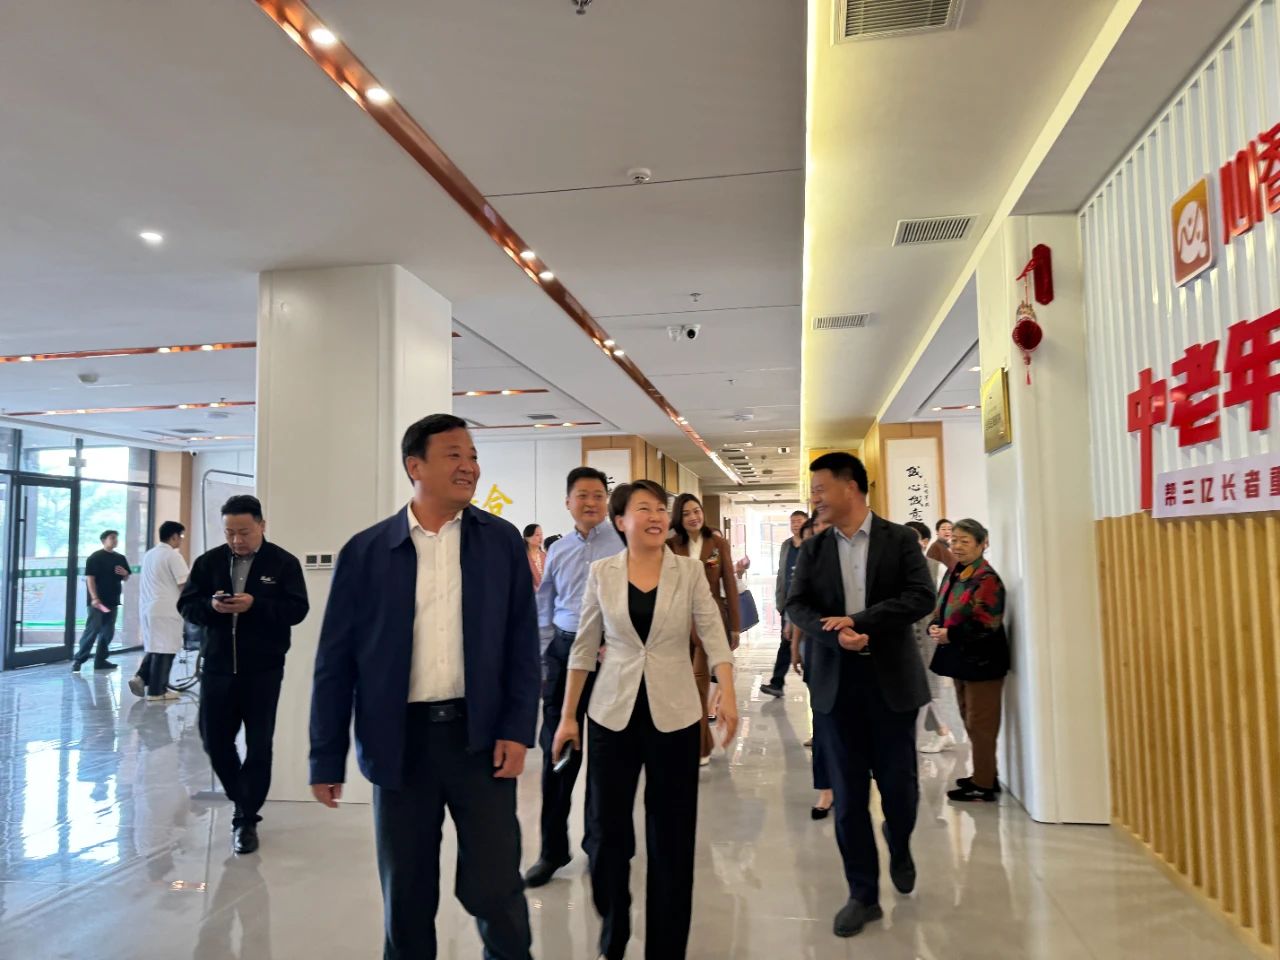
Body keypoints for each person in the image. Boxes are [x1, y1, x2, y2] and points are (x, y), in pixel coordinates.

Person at [310, 414, 540, 960]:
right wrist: (325, 757)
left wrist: (516, 729)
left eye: (473, 455)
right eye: (454, 455)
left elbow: (521, 644)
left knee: (495, 886)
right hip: (400, 744)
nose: (469, 467)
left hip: (480, 740)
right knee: (407, 894)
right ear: (415, 466)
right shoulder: (367, 552)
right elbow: (335, 663)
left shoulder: (500, 542)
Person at [552, 480, 739, 960]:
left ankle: (666, 948)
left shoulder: (689, 571)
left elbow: (712, 633)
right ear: (621, 521)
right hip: (611, 714)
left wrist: (727, 692)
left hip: (675, 715)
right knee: (606, 834)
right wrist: (568, 716)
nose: (657, 516)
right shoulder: (602, 572)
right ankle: (613, 931)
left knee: (672, 837)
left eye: (661, 508)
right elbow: (583, 648)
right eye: (644, 508)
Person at [786, 452, 936, 939]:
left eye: (820, 489)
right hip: (836, 687)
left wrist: (860, 621)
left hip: (892, 683)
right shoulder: (814, 548)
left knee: (900, 788)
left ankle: (899, 838)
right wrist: (835, 634)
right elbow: (796, 605)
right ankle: (862, 895)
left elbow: (921, 596)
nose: (815, 499)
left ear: (850, 486)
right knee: (848, 797)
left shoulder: (899, 540)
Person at [178, 495, 308, 856]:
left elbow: (297, 609)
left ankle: (245, 819)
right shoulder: (209, 563)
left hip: (263, 670)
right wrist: (211, 606)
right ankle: (244, 800)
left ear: (262, 525)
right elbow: (187, 605)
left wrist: (256, 605)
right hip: (218, 668)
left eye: (244, 532)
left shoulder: (282, 563)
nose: (237, 540)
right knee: (214, 741)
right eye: (229, 532)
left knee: (259, 744)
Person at [525, 466, 624, 887]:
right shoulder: (559, 550)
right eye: (582, 495)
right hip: (564, 654)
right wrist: (545, 660)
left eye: (598, 495)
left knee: (604, 757)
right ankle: (552, 851)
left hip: (610, 657)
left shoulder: (623, 543)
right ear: (568, 502)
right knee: (558, 755)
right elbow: (545, 606)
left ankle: (598, 846)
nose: (591, 502)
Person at [928, 518, 1009, 803]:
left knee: (980, 723)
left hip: (983, 660)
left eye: (965, 541)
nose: (958, 546)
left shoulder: (987, 579)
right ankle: (984, 775)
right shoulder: (956, 573)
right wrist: (935, 626)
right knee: (967, 717)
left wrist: (950, 633)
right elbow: (941, 607)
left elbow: (987, 623)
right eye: (954, 541)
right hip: (960, 657)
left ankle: (983, 785)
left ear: (982, 544)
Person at [668, 493, 740, 765]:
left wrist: (735, 627)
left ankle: (700, 747)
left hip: (709, 621)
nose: (693, 517)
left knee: (698, 682)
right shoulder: (671, 545)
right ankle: (699, 740)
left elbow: (729, 584)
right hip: (677, 622)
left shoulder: (717, 544)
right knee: (680, 684)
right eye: (686, 513)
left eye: (696, 511)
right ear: (679, 517)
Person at [788, 516, 833, 818]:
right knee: (822, 720)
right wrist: (795, 647)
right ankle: (825, 789)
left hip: (855, 651)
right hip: (819, 650)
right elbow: (798, 610)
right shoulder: (809, 566)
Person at [906, 520, 958, 754]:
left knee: (927, 685)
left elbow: (947, 602)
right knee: (916, 686)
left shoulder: (936, 568)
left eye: (913, 538)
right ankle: (942, 732)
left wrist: (942, 628)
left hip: (929, 633)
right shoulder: (897, 568)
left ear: (924, 542)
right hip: (906, 635)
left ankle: (938, 733)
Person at [130, 521, 189, 702]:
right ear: (174, 536)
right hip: (166, 608)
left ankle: (141, 677)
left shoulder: (149, 554)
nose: (181, 540)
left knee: (156, 646)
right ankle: (157, 691)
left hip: (148, 607)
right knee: (166, 649)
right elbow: (183, 584)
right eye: (181, 536)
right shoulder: (173, 556)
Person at [761, 510, 808, 697]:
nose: (795, 525)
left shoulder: (811, 544)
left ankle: (814, 681)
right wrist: (780, 601)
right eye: (793, 522)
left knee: (809, 643)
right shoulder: (786, 545)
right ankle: (777, 683)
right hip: (788, 603)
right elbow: (782, 574)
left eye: (799, 521)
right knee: (786, 641)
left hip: (807, 604)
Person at [72, 530, 131, 672]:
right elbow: (90, 579)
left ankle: (100, 660)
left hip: (113, 600)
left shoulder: (120, 558)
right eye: (112, 538)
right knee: (93, 629)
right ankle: (79, 660)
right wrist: (94, 597)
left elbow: (126, 577)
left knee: (108, 632)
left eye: (116, 538)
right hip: (97, 601)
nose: (115, 540)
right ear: (104, 540)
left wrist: (125, 573)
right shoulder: (95, 557)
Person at [524, 523, 546, 590]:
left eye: (541, 534)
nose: (541, 538)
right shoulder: (522, 557)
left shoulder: (545, 556)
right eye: (537, 535)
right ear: (527, 538)